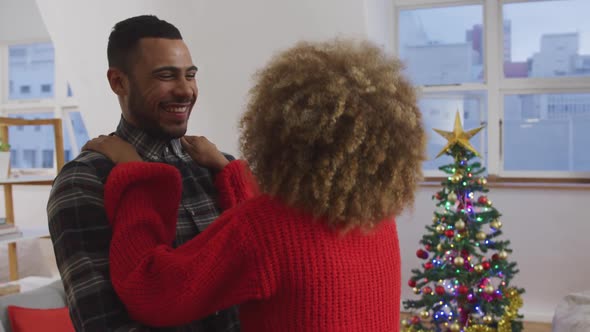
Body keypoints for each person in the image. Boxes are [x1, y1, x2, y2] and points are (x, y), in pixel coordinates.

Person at [85, 39, 427, 331]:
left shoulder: (265, 228)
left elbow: (153, 292)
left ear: (275, 130)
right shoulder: (377, 218)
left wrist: (136, 173)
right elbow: (276, 259)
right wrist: (230, 172)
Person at [47, 15, 240, 331]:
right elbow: (103, 323)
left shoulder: (219, 167)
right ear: (118, 82)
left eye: (190, 75)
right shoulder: (85, 182)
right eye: (165, 76)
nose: (185, 90)